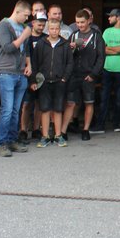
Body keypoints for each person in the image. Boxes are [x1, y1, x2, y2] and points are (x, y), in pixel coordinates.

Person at [0, 0, 33, 156]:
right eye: (25, 15)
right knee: (7, 109)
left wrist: (29, 65)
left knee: (16, 110)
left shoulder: (23, 27)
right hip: (6, 72)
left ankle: (12, 140)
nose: (27, 18)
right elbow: (8, 48)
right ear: (17, 11)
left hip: (20, 72)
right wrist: (24, 36)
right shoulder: (3, 26)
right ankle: (2, 143)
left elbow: (26, 49)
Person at [63, 9, 104, 142]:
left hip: (88, 75)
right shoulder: (73, 35)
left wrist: (94, 74)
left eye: (82, 22)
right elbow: (66, 56)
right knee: (71, 103)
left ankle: (85, 130)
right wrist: (71, 49)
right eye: (77, 22)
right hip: (74, 74)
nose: (80, 25)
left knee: (88, 102)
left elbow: (101, 57)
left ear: (88, 21)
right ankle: (63, 131)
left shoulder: (96, 36)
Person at [31, 19, 73, 147]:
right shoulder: (41, 44)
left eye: (57, 29)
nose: (54, 31)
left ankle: (58, 135)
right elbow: (34, 63)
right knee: (45, 109)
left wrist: (64, 78)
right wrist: (34, 80)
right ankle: (45, 136)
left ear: (60, 29)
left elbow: (70, 63)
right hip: (44, 81)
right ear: (48, 29)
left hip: (59, 81)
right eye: (52, 29)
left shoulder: (65, 44)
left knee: (58, 109)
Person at [95, 8, 120, 133]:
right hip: (106, 69)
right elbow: (103, 49)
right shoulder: (107, 31)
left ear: (117, 17)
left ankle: (116, 124)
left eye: (111, 16)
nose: (108, 18)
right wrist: (117, 50)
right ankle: (100, 125)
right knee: (104, 98)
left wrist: (111, 49)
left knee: (119, 98)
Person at [19, 12, 47, 142]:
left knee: (39, 104)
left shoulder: (46, 38)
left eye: (43, 25)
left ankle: (36, 129)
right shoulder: (27, 37)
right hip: (28, 74)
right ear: (33, 23)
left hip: (42, 75)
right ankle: (23, 130)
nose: (41, 27)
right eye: (39, 24)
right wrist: (31, 79)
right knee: (26, 104)